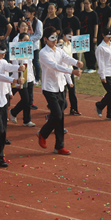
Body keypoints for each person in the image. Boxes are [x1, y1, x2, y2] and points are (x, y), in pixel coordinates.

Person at [37, 27, 82, 155]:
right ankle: (42, 133)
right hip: (49, 88)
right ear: (45, 39)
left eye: (56, 37)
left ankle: (59, 146)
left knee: (60, 117)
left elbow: (66, 58)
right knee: (57, 114)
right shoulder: (43, 53)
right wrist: (72, 71)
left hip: (60, 87)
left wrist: (76, 62)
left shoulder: (59, 50)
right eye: (52, 38)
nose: (55, 40)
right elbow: (54, 66)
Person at [9, 33, 36, 127]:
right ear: (20, 41)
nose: (27, 42)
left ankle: (26, 120)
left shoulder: (29, 50)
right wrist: (17, 79)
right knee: (25, 99)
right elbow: (13, 66)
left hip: (29, 78)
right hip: (20, 78)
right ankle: (13, 112)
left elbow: (31, 65)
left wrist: (32, 77)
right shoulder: (16, 50)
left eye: (28, 40)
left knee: (28, 101)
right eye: (25, 40)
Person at [94, 27, 111, 121]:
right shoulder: (100, 48)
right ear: (103, 35)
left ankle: (110, 114)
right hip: (106, 73)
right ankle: (99, 105)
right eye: (108, 36)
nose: (110, 38)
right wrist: (102, 75)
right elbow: (101, 62)